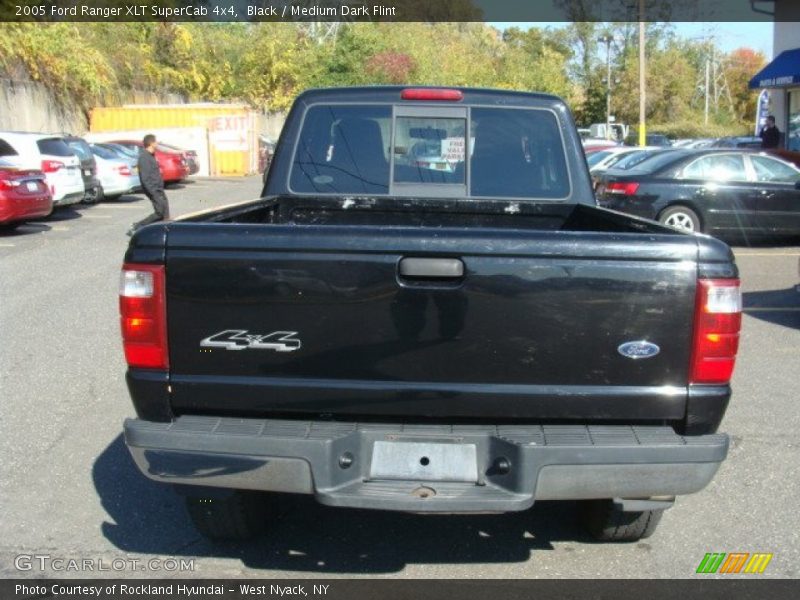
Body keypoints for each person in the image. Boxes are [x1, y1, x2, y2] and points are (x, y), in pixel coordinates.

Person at [127, 134, 170, 236]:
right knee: (159, 212)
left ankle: (163, 232)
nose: (157, 143)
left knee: (165, 212)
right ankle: (137, 227)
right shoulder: (144, 158)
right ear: (151, 143)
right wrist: (153, 192)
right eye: (155, 142)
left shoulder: (151, 155)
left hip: (159, 188)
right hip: (153, 189)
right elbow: (145, 178)